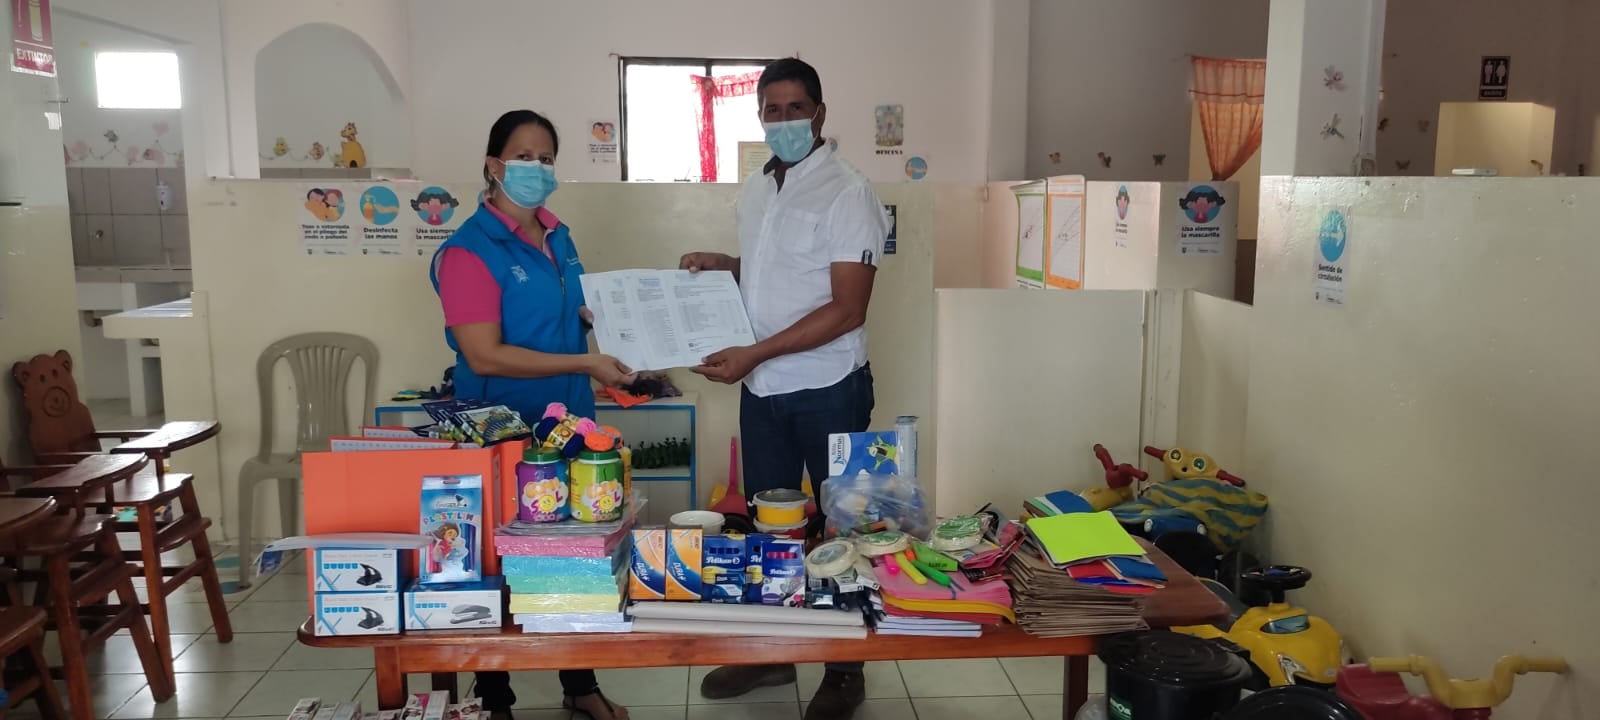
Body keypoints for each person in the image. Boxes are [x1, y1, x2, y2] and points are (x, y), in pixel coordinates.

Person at [681, 58, 889, 720]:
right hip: (763, 388)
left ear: (819, 114)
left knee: (840, 525)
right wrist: (725, 265)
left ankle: (845, 668)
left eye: (797, 108)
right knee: (769, 526)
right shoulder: (758, 187)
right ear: (761, 116)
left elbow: (848, 307)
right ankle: (771, 652)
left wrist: (755, 352)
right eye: (772, 109)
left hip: (829, 387)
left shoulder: (848, 192)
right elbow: (777, 271)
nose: (784, 120)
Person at [429, 109, 634, 720]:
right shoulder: (468, 250)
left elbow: (574, 310)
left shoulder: (558, 235)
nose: (537, 169)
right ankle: (494, 695)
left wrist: (612, 319)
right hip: (504, 430)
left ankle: (580, 684)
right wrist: (587, 361)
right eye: (524, 157)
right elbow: (483, 352)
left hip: (571, 425)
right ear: (494, 165)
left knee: (573, 554)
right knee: (498, 560)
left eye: (546, 158)